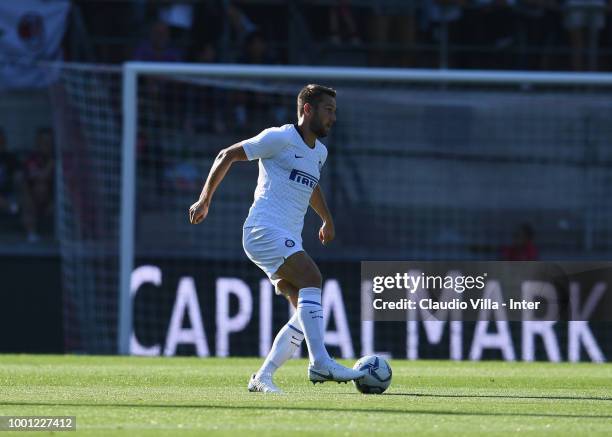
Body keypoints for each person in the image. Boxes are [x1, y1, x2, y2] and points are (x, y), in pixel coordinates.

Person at [189, 84, 365, 393]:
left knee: (304, 313)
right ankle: (320, 363)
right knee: (313, 276)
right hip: (263, 230)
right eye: (328, 110)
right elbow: (226, 154)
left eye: (334, 112)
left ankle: (263, 377)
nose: (333, 118)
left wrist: (326, 218)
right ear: (307, 110)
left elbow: (310, 186)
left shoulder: (319, 152)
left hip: (288, 237)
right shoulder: (279, 138)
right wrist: (204, 200)